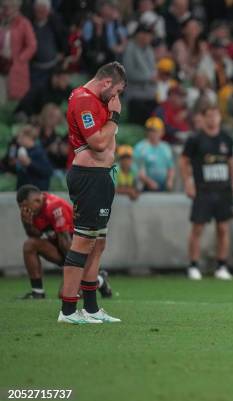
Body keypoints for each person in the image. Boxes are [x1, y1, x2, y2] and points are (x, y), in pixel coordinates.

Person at [61, 61, 126, 324]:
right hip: (89, 177)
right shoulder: (84, 100)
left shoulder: (96, 100)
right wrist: (115, 117)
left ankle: (91, 308)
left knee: (98, 243)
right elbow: (98, 143)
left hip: (101, 177)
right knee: (83, 242)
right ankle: (67, 311)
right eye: (117, 91)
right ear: (107, 82)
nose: (116, 98)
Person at [16, 184, 112, 299]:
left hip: (78, 253)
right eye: (21, 207)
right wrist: (27, 223)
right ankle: (38, 292)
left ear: (36, 200)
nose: (24, 210)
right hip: (63, 250)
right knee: (29, 245)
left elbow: (65, 241)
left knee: (65, 294)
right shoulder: (35, 209)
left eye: (25, 206)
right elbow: (36, 235)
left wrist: (74, 271)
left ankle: (100, 280)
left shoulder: (55, 207)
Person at [179, 104, 233, 281]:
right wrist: (188, 182)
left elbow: (231, 162)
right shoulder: (195, 139)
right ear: (202, 118)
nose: (212, 119)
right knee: (198, 228)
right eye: (209, 116)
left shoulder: (226, 138)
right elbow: (184, 161)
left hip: (223, 190)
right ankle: (193, 265)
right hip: (203, 190)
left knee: (224, 228)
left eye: (216, 115)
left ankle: (222, 266)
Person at [0, 0, 37, 103]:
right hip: (1, 65)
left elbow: (32, 45)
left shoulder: (24, 23)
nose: (7, 10)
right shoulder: (1, 20)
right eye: (4, 7)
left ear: (17, 8)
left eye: (10, 7)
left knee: (16, 100)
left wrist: (20, 59)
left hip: (15, 67)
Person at [133, 117, 175, 192]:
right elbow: (137, 169)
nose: (152, 133)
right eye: (150, 130)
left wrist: (170, 181)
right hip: (145, 187)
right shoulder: (140, 147)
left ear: (162, 132)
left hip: (163, 187)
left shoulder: (166, 147)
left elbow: (171, 167)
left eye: (155, 130)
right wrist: (149, 182)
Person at [10, 125, 54, 190]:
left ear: (28, 137)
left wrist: (29, 163)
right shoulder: (21, 151)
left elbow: (48, 171)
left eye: (21, 137)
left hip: (37, 191)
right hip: (24, 191)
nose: (18, 140)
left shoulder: (39, 152)